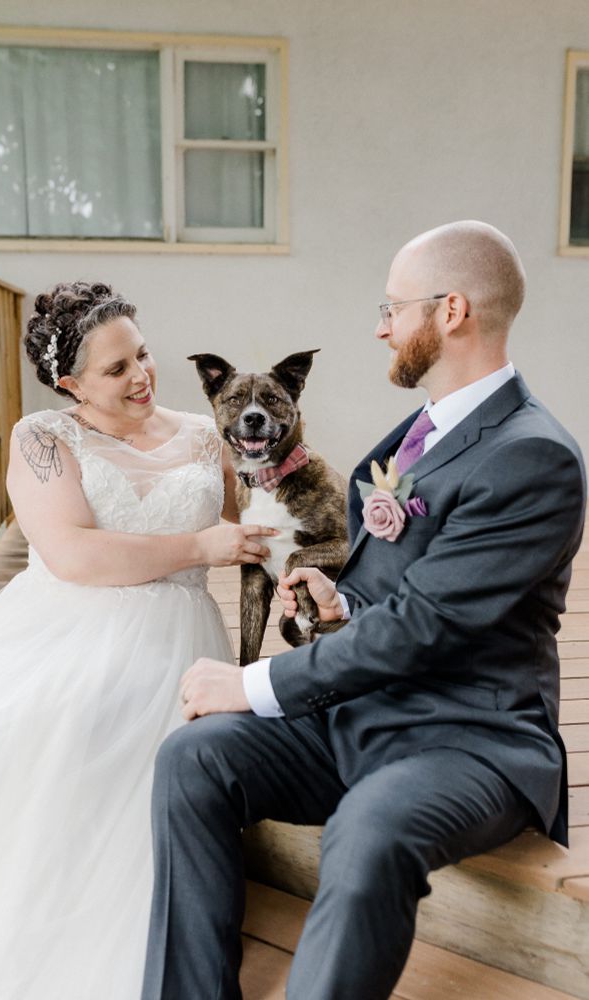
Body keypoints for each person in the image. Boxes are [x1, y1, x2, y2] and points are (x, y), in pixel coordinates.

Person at [142, 222, 587, 1000]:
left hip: (465, 737)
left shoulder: (531, 455)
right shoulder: (419, 433)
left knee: (368, 826)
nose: (381, 327)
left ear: (450, 311)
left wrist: (251, 683)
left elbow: (426, 625)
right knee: (194, 757)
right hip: (361, 711)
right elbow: (401, 591)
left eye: (393, 308)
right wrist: (340, 604)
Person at [0, 281, 276, 1000]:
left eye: (142, 354)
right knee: (29, 729)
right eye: (117, 369)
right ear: (70, 384)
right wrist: (199, 545)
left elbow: (254, 527)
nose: (142, 375)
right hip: (63, 623)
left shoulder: (203, 434)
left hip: (175, 633)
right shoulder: (43, 439)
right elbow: (73, 555)